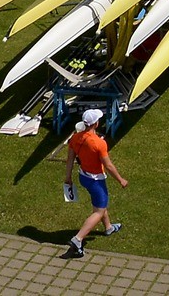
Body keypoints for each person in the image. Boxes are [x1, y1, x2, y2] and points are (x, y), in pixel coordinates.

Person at [60, 107, 127, 259]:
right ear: (96, 124)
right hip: (96, 180)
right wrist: (120, 179)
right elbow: (108, 165)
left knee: (99, 204)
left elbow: (70, 159)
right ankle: (78, 239)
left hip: (83, 177)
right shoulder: (99, 143)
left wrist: (68, 177)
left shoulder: (75, 138)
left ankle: (108, 227)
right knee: (99, 211)